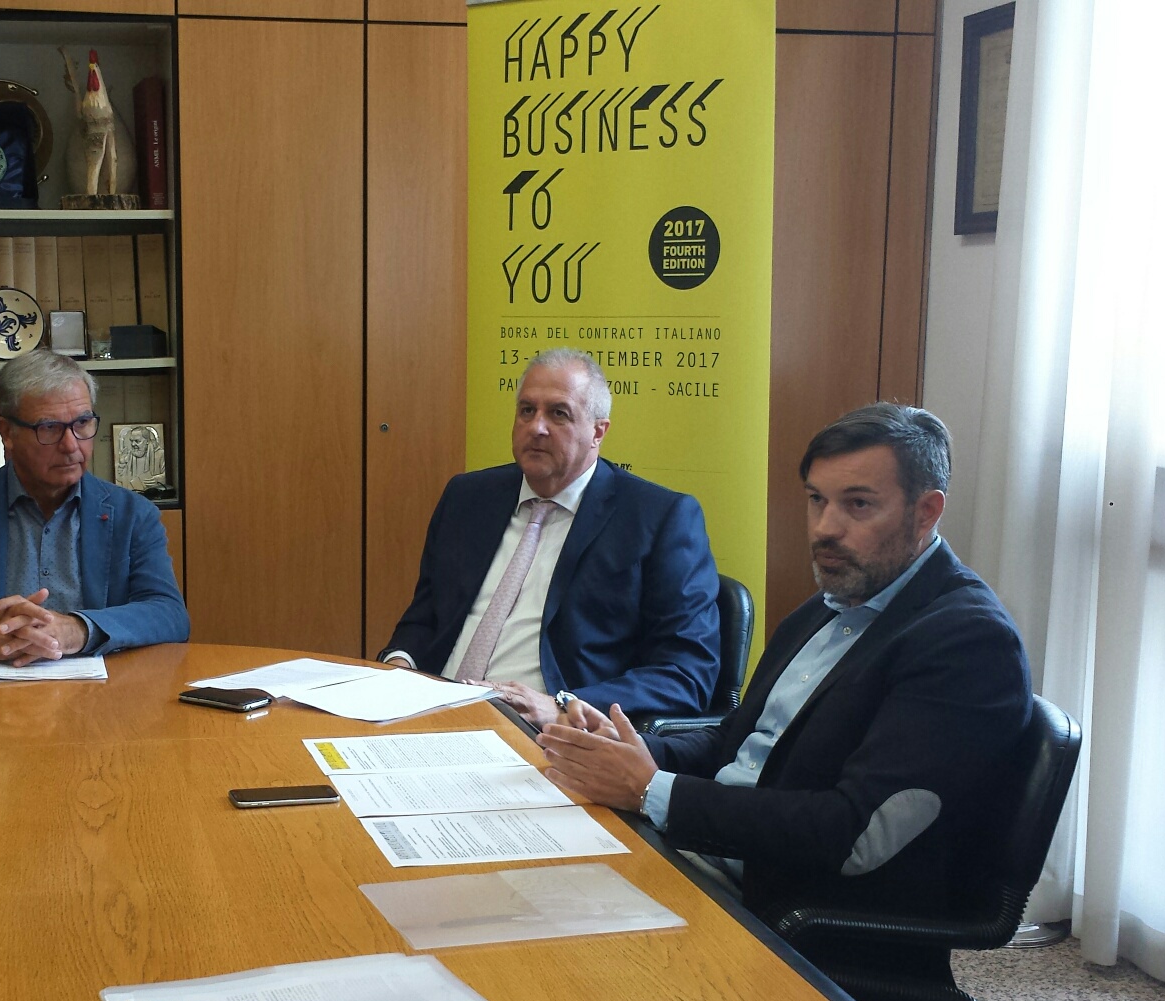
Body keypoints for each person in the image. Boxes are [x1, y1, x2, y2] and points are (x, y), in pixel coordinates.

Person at [536, 403, 1033, 927]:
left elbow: (855, 834)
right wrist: (628, 752)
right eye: (817, 500)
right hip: (698, 854)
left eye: (858, 504)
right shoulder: (830, 605)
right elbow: (739, 741)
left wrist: (651, 790)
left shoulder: (968, 642)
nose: (825, 528)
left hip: (787, 914)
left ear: (926, 512)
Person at [381, 348, 720, 728]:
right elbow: (426, 616)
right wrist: (399, 663)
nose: (536, 427)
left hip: (545, 733)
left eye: (558, 414)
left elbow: (686, 674)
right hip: (429, 711)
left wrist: (563, 706)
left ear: (598, 432)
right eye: (527, 410)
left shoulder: (658, 518)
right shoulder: (468, 498)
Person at [0, 350, 188, 663]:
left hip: (103, 689)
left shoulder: (133, 514)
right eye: (49, 427)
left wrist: (78, 630)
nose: (71, 445)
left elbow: (169, 614)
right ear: (7, 433)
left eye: (82, 423)